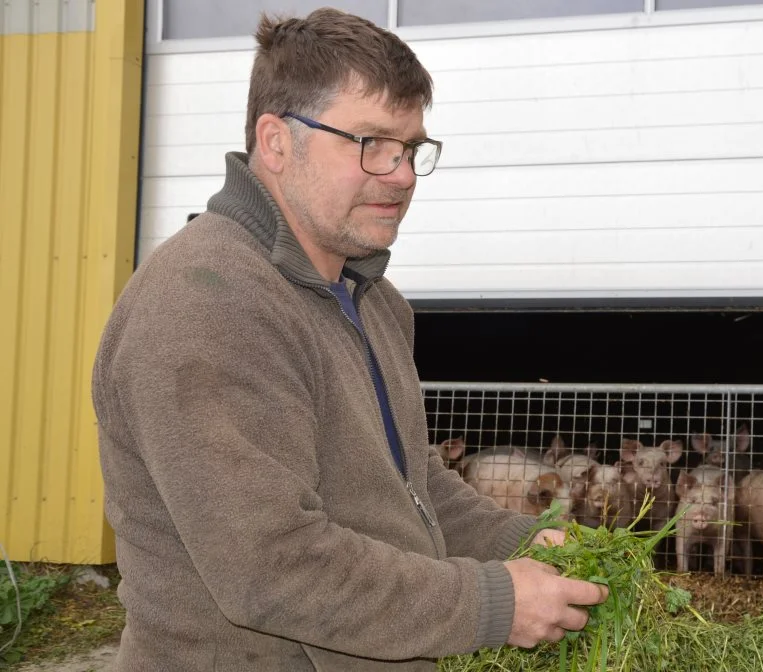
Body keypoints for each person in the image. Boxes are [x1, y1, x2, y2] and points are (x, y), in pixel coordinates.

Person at [91, 8, 607, 671]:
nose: (401, 175)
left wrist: (533, 544)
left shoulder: (372, 302)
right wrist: (493, 603)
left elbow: (413, 488)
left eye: (411, 148)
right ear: (276, 142)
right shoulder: (208, 305)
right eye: (370, 143)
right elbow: (271, 568)